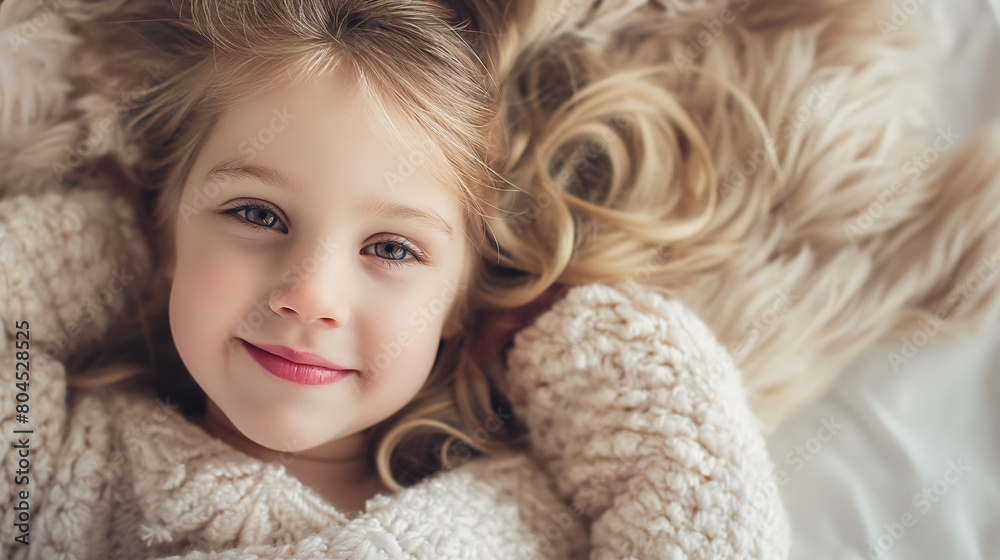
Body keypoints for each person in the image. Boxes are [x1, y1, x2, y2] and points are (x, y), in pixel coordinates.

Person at [34, 0, 995, 558]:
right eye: (255, 216)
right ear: (160, 233)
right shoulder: (54, 461)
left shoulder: (528, 515)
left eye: (394, 250)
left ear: (459, 307)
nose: (311, 292)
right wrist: (114, 252)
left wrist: (563, 331)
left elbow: (695, 500)